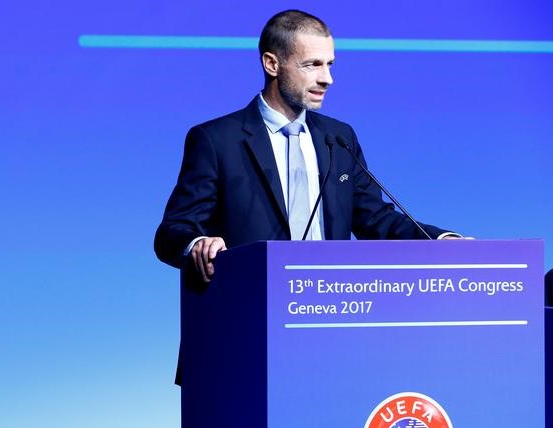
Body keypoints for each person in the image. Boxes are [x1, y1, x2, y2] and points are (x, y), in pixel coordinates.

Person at [154, 9, 458, 282]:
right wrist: (198, 245)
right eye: (313, 65)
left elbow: (374, 219)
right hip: (248, 311)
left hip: (325, 313)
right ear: (272, 64)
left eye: (330, 64)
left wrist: (439, 240)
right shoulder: (217, 139)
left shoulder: (339, 137)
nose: (328, 79)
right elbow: (172, 232)